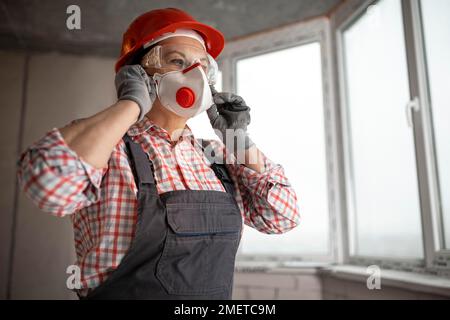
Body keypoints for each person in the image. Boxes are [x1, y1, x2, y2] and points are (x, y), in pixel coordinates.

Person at [17, 8, 300, 299]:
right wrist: (131, 104)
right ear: (139, 74)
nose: (196, 75)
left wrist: (238, 140)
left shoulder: (216, 156)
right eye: (178, 61)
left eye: (203, 65)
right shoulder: (108, 150)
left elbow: (281, 218)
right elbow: (47, 186)